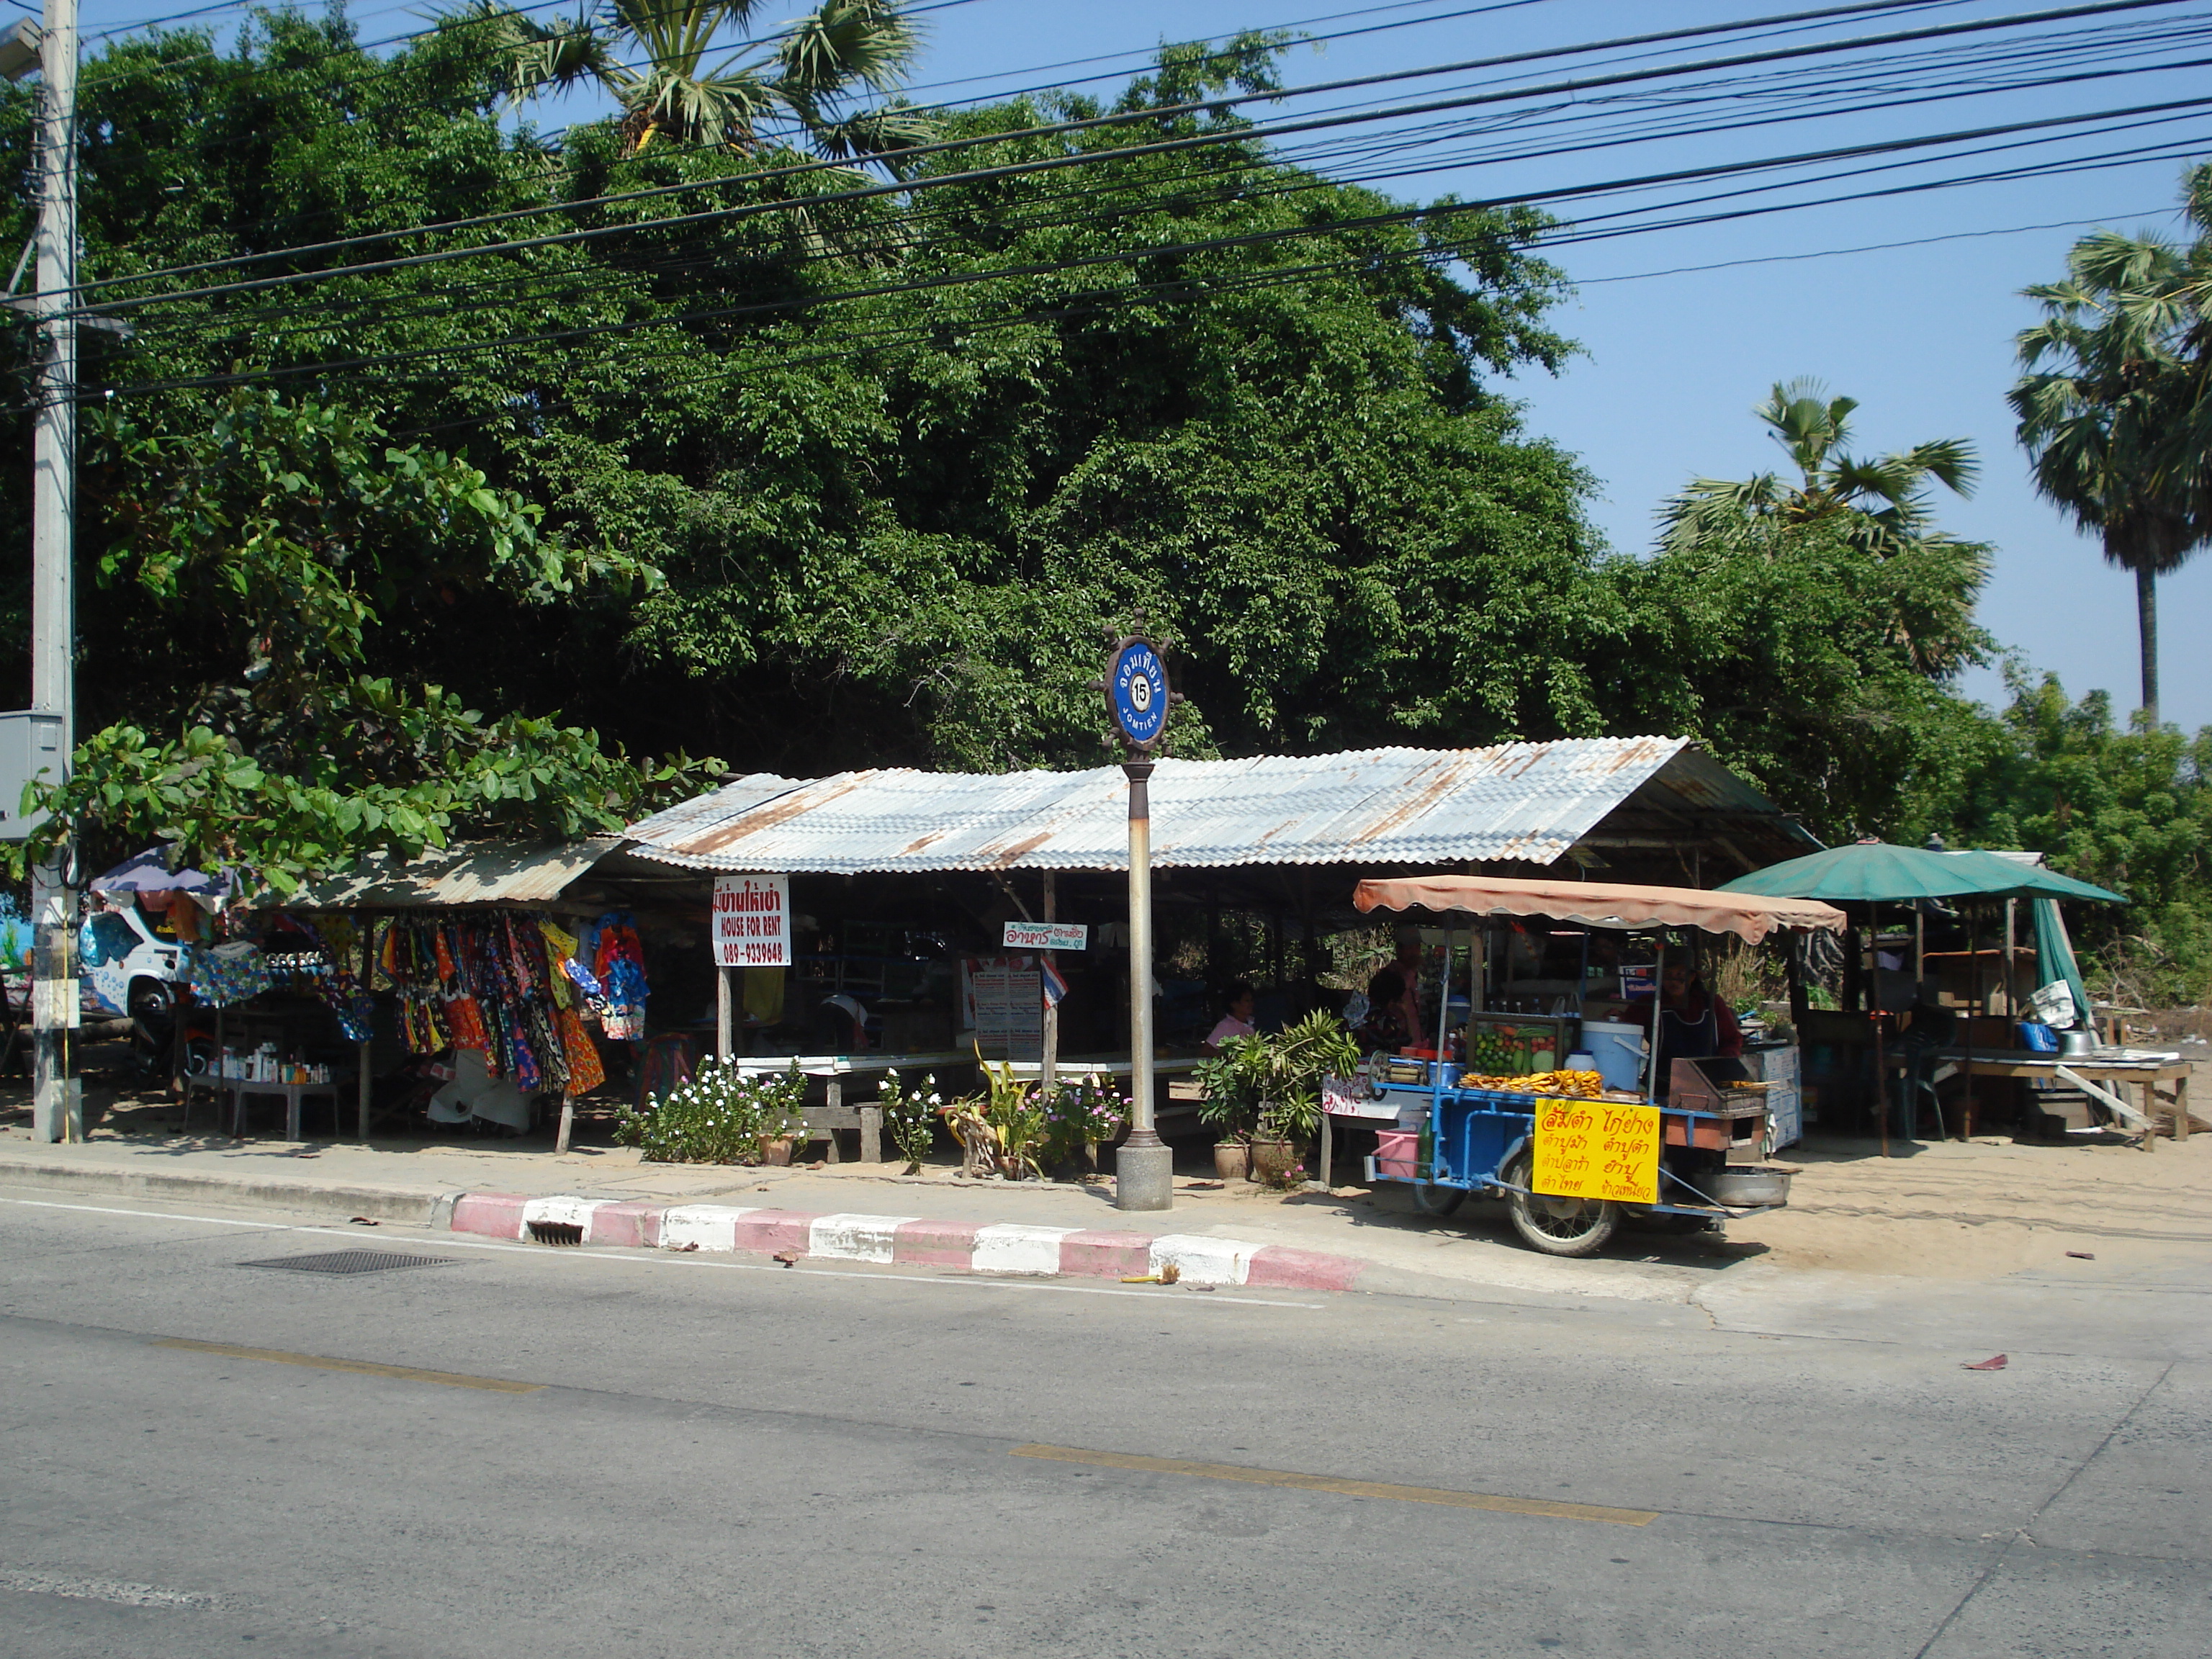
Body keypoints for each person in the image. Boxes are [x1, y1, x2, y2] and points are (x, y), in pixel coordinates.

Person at [1616, 961, 1742, 1079]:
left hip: (1706, 1078)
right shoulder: (1648, 1003)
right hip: (1662, 1079)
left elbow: (1732, 1040)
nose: (1673, 981)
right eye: (1667, 975)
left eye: (1680, 975)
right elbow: (1628, 1028)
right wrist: (1618, 1019)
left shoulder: (1711, 1003)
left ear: (1692, 977)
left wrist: (1724, 1064)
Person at [1205, 984, 1257, 1053]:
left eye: (1251, 1000)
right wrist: (1229, 1055)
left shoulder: (1251, 1024)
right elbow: (1205, 1051)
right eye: (1247, 1001)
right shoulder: (1225, 1026)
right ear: (1234, 1004)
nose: (1251, 1004)